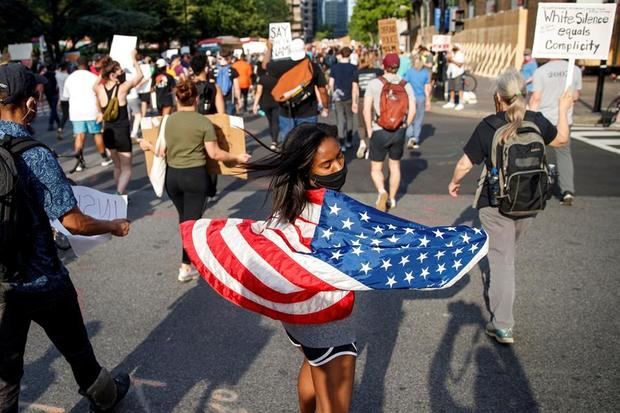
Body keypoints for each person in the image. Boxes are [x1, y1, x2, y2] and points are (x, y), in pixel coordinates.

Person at [0, 62, 132, 413]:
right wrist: (113, 226)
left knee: (5, 373)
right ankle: (104, 397)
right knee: (77, 351)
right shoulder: (36, 155)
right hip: (44, 279)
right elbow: (74, 222)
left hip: (1, 283)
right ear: (28, 103)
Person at [448, 68, 573, 344]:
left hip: (497, 203)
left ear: (498, 97)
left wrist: (454, 183)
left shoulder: (490, 124)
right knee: (507, 255)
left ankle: (503, 324)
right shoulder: (538, 121)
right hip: (529, 201)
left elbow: (465, 164)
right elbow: (562, 141)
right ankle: (501, 302)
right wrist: (564, 109)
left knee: (503, 262)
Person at [244, 123, 356, 413]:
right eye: (326, 164)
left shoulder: (289, 205)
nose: (338, 167)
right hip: (327, 318)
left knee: (312, 362)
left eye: (340, 157)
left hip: (298, 316)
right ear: (304, 170)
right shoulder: (328, 215)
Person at [139, 79, 250, 282]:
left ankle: (189, 261)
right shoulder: (203, 122)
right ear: (196, 99)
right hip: (195, 177)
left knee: (184, 219)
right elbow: (215, 154)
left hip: (173, 178)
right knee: (192, 223)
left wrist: (147, 145)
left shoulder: (168, 120)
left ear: (177, 98)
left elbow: (161, 152)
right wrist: (237, 158)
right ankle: (186, 266)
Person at [363, 53, 416, 212]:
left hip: (380, 128)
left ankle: (382, 191)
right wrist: (406, 125)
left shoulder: (374, 84)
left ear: (383, 66)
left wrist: (369, 129)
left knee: (376, 168)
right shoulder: (406, 85)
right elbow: (412, 109)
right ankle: (392, 199)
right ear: (398, 66)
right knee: (395, 166)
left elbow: (366, 109)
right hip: (399, 130)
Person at [529, 59, 581, 206]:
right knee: (564, 153)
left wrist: (529, 117)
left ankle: (533, 189)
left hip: (543, 118)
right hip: (563, 118)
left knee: (536, 153)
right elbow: (575, 96)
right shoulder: (574, 70)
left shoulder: (541, 71)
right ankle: (567, 191)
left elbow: (536, 97)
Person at [94, 52, 143, 196]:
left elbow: (95, 84)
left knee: (117, 166)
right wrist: (134, 58)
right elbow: (140, 76)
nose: (121, 72)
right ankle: (119, 193)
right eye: (119, 70)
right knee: (127, 168)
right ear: (112, 75)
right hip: (121, 131)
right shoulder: (123, 88)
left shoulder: (99, 89)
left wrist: (104, 68)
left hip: (108, 131)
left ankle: (119, 193)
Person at [264, 38, 329, 138]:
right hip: (308, 111)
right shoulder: (312, 66)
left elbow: (265, 65)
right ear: (304, 50)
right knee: (308, 144)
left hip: (286, 111)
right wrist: (325, 107)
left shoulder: (280, 65)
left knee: (289, 144)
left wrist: (269, 48)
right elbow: (322, 90)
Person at [63, 55, 112, 172]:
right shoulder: (93, 77)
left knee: (79, 136)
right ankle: (104, 158)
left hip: (76, 112)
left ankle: (80, 162)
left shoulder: (70, 78)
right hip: (92, 110)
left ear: (76, 64)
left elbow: (66, 96)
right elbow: (100, 94)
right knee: (97, 134)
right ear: (88, 64)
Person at [351, 52, 383, 159]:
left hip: (361, 100)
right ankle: (370, 146)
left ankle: (362, 142)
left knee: (361, 123)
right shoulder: (378, 72)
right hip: (374, 100)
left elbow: (355, 89)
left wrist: (354, 103)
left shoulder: (357, 73)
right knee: (373, 123)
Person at [329, 46, 357, 152]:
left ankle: (341, 143)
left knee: (340, 120)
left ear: (341, 54)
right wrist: (355, 100)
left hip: (338, 96)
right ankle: (349, 141)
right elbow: (355, 85)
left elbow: (331, 84)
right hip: (350, 95)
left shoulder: (334, 67)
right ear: (350, 54)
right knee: (350, 119)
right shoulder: (354, 68)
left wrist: (332, 96)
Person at [403, 54, 432, 149]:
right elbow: (427, 88)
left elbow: (404, 83)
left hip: (410, 97)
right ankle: (415, 138)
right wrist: (428, 101)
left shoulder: (409, 72)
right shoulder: (425, 73)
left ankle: (410, 135)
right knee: (418, 119)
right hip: (421, 98)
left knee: (409, 118)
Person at [253, 65, 280, 150]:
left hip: (265, 103)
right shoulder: (278, 78)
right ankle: (274, 141)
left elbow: (259, 92)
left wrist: (255, 104)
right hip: (277, 102)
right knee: (276, 121)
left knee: (270, 121)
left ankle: (273, 138)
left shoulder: (262, 78)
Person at [214, 50, 241, 115]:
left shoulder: (214, 71)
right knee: (230, 120)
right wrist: (238, 99)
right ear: (229, 59)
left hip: (217, 98)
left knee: (220, 119)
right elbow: (236, 87)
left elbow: (211, 85)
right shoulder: (233, 71)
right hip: (230, 98)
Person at [442, 44, 466, 111]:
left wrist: (452, 60)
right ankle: (451, 101)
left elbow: (460, 64)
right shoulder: (451, 54)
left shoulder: (460, 54)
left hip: (458, 73)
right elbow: (447, 63)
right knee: (451, 88)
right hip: (451, 72)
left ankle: (460, 102)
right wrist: (448, 58)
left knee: (459, 88)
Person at [42, 64, 60, 133]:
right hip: (54, 93)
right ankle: (52, 124)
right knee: (53, 109)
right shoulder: (55, 75)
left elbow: (43, 85)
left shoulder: (45, 75)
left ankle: (58, 123)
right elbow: (57, 85)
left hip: (48, 94)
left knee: (53, 109)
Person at [55, 62, 70, 139]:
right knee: (70, 115)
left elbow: (56, 71)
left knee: (65, 115)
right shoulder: (67, 76)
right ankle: (76, 132)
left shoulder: (57, 76)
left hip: (62, 98)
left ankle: (60, 128)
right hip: (69, 98)